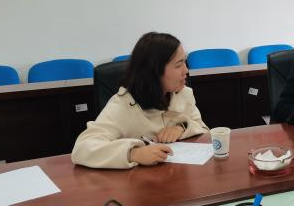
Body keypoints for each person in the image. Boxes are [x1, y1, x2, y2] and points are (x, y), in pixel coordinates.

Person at [72, 32, 208, 169]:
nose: (186, 70)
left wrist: (181, 128)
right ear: (155, 71)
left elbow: (204, 130)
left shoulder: (183, 93)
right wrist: (133, 153)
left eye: (184, 62)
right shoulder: (123, 105)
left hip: (176, 174)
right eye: (178, 65)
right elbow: (82, 148)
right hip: (137, 180)